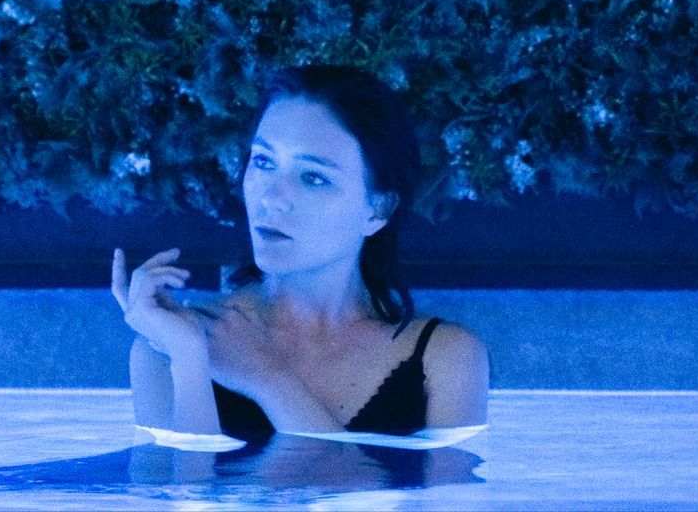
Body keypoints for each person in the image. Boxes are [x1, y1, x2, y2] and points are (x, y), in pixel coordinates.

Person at [110, 64, 491, 448]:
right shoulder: (171, 344)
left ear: (378, 210)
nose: (272, 198)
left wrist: (268, 378)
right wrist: (189, 358)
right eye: (263, 162)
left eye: (313, 177)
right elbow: (183, 486)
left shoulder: (444, 358)